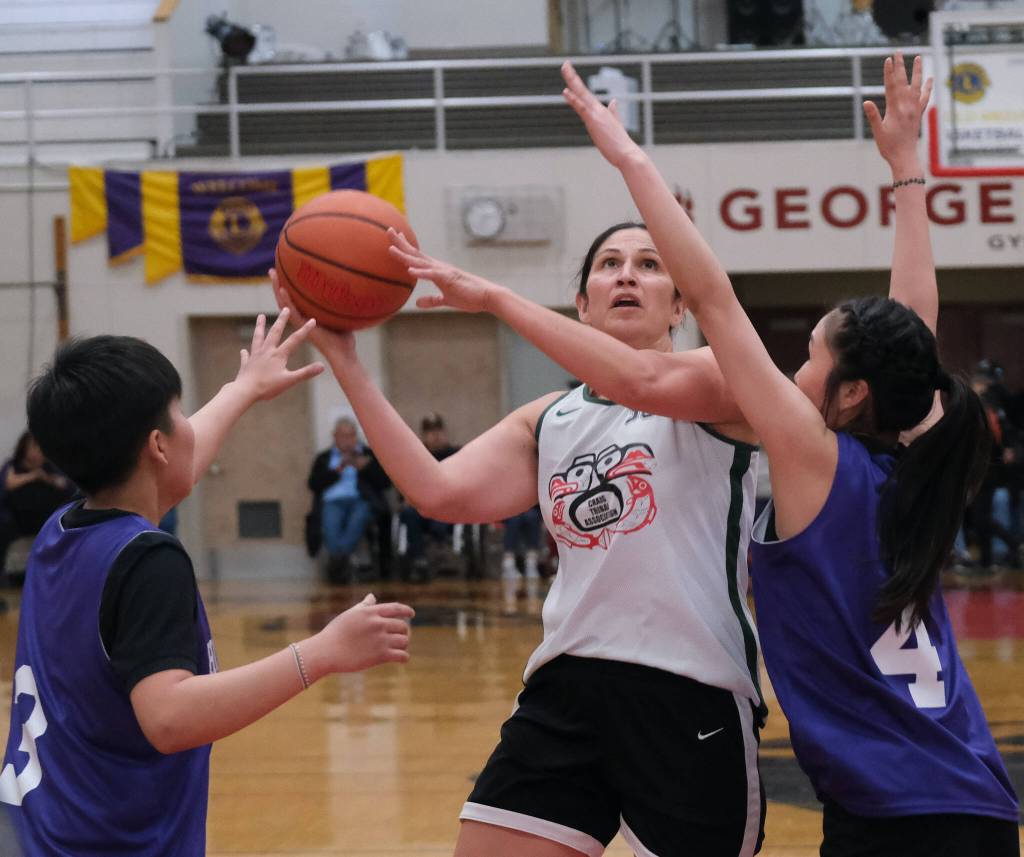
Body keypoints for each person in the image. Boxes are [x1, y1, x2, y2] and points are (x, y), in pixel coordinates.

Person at [557, 52, 1018, 855]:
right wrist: (906, 167)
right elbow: (911, 323)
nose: (790, 372)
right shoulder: (906, 465)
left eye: (806, 357)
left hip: (895, 816)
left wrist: (630, 160)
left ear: (850, 395)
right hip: (972, 801)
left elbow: (712, 299)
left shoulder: (814, 457)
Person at [274, 160, 766, 857]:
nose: (628, 274)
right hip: (566, 684)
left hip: (688, 690)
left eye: (651, 265)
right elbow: (439, 492)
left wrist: (497, 297)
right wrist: (347, 361)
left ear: (680, 306)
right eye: (610, 264)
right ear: (583, 304)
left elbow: (646, 379)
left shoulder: (720, 380)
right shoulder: (550, 417)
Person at [1, 314, 414, 856]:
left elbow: (176, 468)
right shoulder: (147, 559)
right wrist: (322, 653)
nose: (190, 423)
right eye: (179, 413)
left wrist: (243, 388)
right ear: (157, 444)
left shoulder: (64, 529)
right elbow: (170, 718)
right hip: (105, 845)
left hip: (33, 831)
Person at [307, 416, 392, 582]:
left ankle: (338, 562)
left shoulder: (368, 454)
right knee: (330, 526)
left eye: (351, 435)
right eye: (343, 436)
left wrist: (365, 468)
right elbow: (313, 484)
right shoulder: (324, 458)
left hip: (360, 500)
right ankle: (341, 560)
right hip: (333, 501)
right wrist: (338, 469)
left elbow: (385, 483)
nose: (347, 440)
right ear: (335, 436)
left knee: (358, 518)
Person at [396, 413, 461, 582]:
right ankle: (419, 559)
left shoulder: (457, 454)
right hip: (421, 506)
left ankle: (441, 554)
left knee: (441, 522)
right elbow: (404, 485)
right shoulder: (415, 456)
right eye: (430, 432)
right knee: (409, 514)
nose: (435, 435)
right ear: (424, 435)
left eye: (438, 431)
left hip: (448, 506)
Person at [0, 432, 75, 572]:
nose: (38, 452)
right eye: (34, 447)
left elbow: (65, 485)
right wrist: (33, 476)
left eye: (41, 448)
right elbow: (8, 483)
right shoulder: (13, 466)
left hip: (47, 518)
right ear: (24, 448)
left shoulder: (50, 468)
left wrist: (46, 478)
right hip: (17, 519)